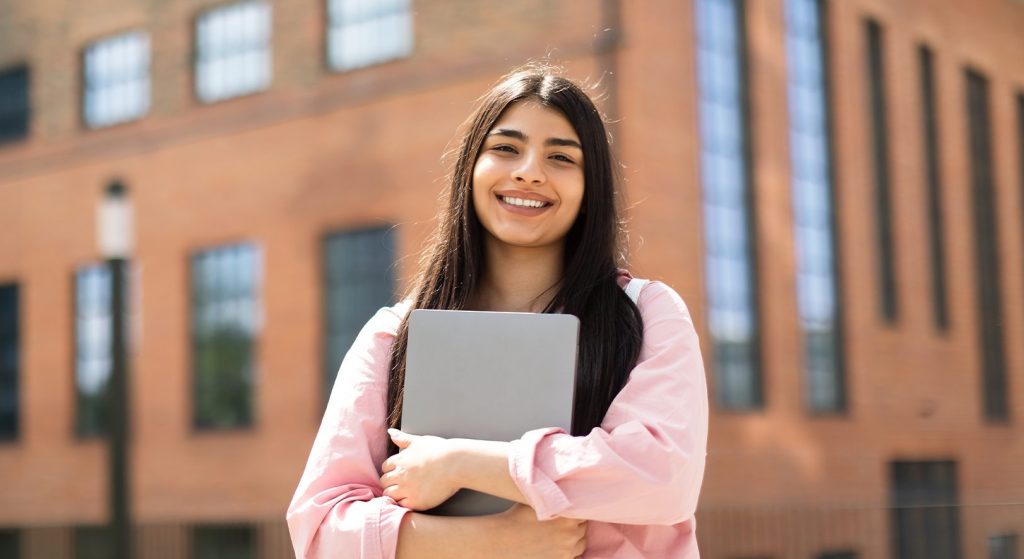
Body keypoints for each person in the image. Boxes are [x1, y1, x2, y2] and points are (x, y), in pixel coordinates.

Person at [287, 64, 709, 558]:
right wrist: (491, 541)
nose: (529, 171)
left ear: (591, 186)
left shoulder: (645, 313)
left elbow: (663, 477)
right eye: (506, 148)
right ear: (470, 168)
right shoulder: (393, 335)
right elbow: (320, 532)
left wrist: (465, 463)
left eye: (561, 157)